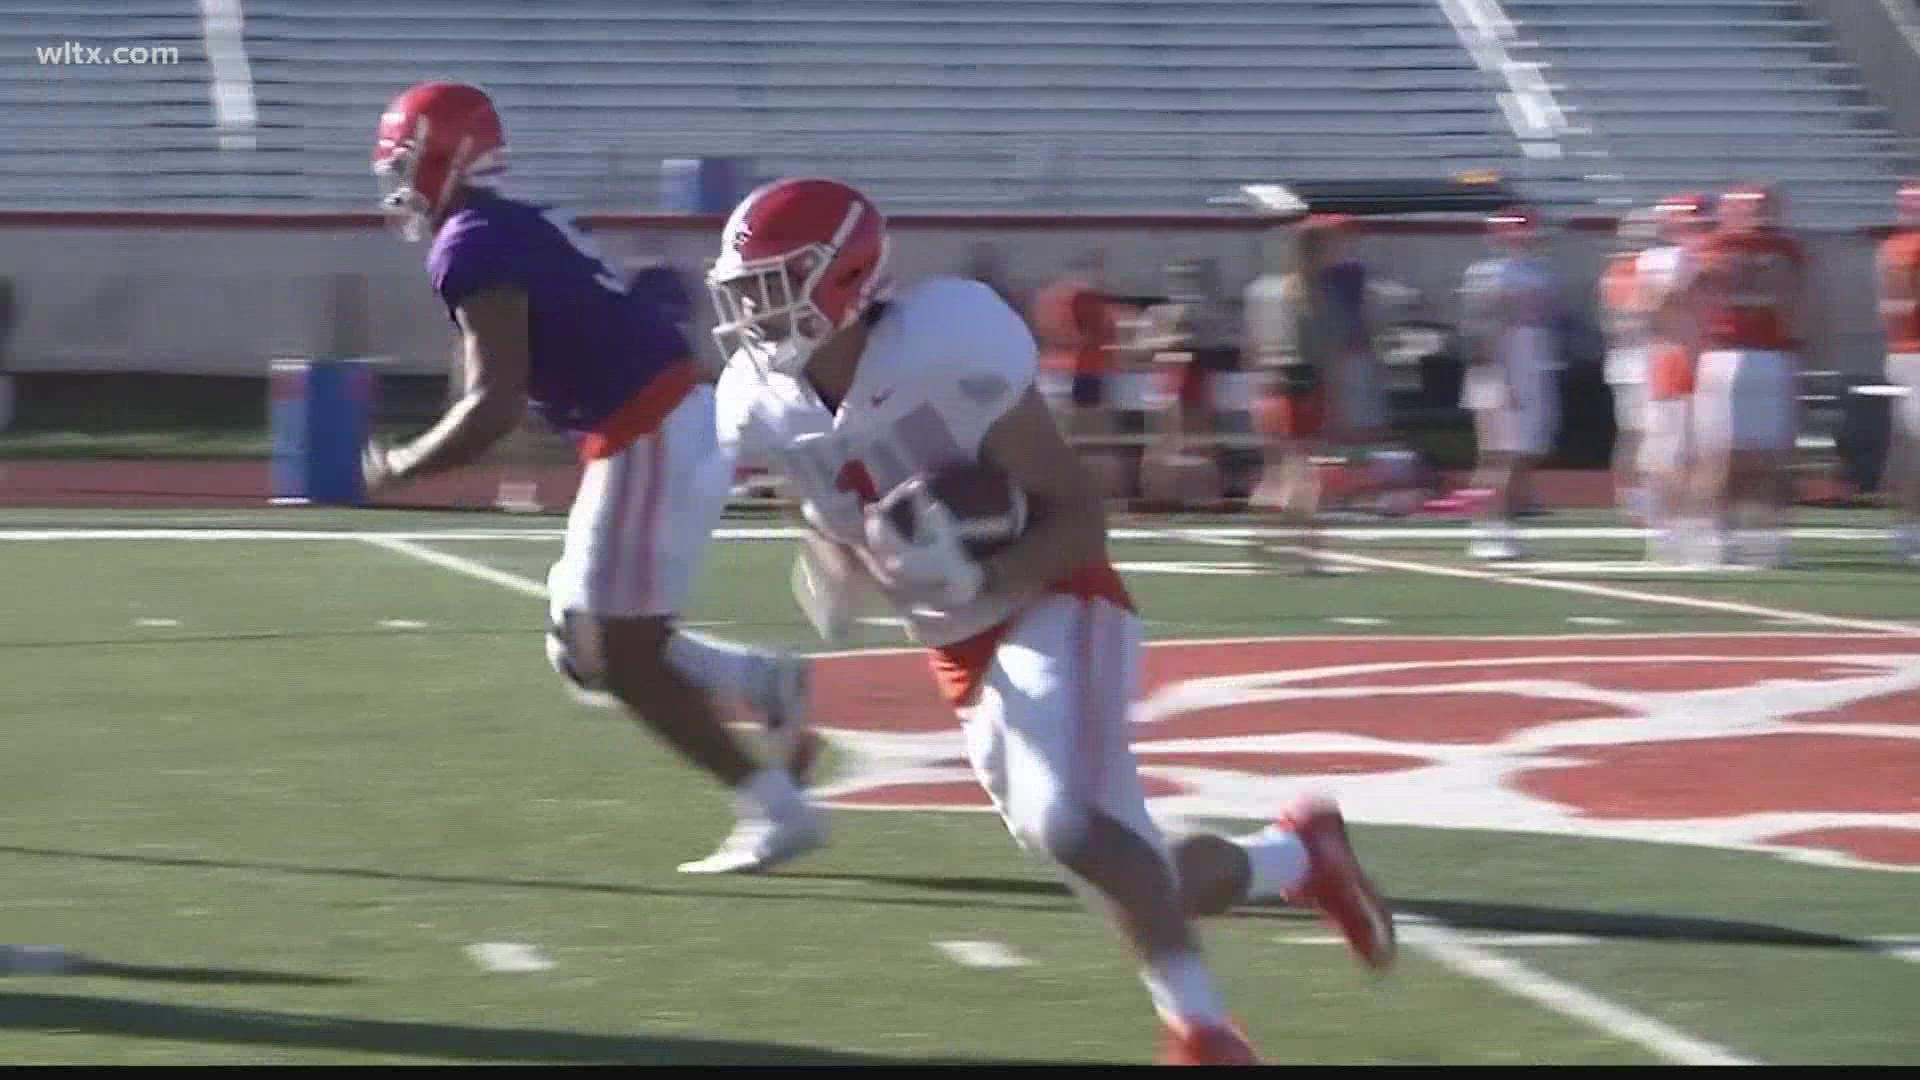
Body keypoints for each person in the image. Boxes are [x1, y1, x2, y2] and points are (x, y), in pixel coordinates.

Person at [707, 177, 1395, 1066]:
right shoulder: (759, 400)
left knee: (1071, 825)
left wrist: (981, 568)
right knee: (1126, 868)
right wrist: (835, 560)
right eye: (746, 287)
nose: (754, 308)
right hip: (958, 647)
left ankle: (1204, 1034)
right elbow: (831, 505)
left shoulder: (941, 344)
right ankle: (1299, 858)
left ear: (843, 279)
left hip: (1058, 597)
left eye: (775, 281)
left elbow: (1077, 513)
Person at [360, 81, 823, 875]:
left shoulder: (469, 243)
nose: (397, 183)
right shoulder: (507, 224)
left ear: (447, 156)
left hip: (646, 430)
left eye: (405, 162)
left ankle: (773, 807)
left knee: (619, 656)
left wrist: (404, 464)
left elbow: (495, 399)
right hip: (654, 423)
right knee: (578, 646)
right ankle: (760, 681)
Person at [1245, 214, 1390, 570]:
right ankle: (1308, 547)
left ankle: (1273, 533)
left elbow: (1254, 345)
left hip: (1273, 383)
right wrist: (1336, 401)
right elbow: (1330, 354)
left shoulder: (1269, 290)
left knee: (1283, 467)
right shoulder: (1315, 294)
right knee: (1303, 470)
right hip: (1305, 383)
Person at [1687, 183, 1809, 567]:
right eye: (1751, 208)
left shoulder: (1785, 250)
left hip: (1770, 354)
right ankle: (1713, 533)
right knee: (1721, 454)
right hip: (1727, 353)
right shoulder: (1713, 247)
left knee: (1769, 453)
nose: (1758, 215)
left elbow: (1798, 302)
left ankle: (1761, 534)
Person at [1457, 206, 1562, 560]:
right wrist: (1499, 378)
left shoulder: (1538, 273)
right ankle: (1487, 529)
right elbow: (1483, 330)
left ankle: (1505, 525)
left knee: (1522, 455)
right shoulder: (1490, 273)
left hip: (1531, 367)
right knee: (1497, 456)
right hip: (1501, 369)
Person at [1876, 178, 1920, 564]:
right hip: (1913, 353)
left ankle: (1908, 532)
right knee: (1911, 446)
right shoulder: (1901, 249)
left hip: (1906, 353)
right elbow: (1898, 305)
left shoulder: (1896, 248)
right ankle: (1909, 532)